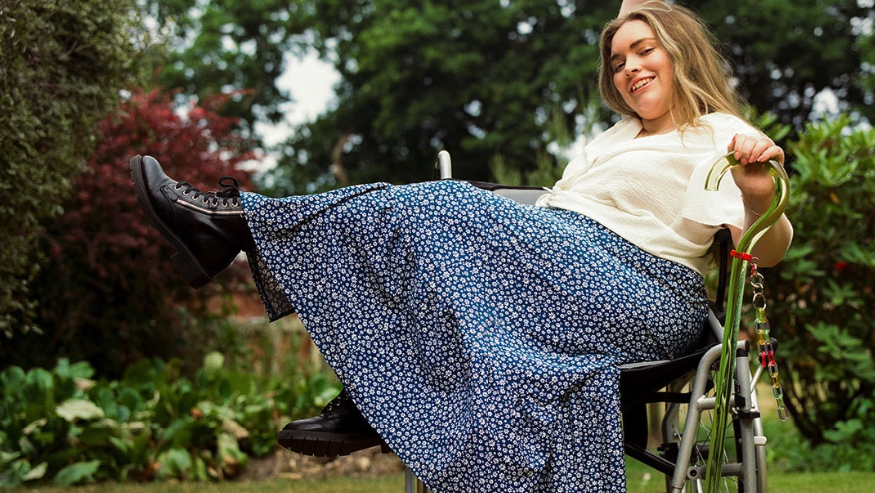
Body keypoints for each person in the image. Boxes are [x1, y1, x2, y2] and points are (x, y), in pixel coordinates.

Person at [129, 1, 792, 491]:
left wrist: (758, 190)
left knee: (447, 203)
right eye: (617, 60)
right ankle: (363, 384)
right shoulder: (611, 140)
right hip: (556, 267)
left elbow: (765, 250)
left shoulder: (719, 132)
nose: (628, 68)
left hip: (640, 291)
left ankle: (231, 226)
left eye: (643, 50)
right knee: (425, 216)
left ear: (677, 49)